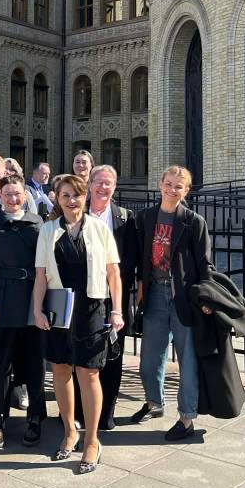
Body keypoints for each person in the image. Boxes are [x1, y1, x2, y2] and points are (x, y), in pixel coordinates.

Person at [33, 174, 122, 474]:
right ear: (57, 198)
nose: (72, 200)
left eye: (77, 195)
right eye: (65, 195)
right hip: (59, 305)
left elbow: (114, 275)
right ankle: (70, 430)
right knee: (60, 367)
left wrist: (117, 311)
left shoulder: (99, 229)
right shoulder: (47, 230)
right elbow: (41, 276)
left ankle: (92, 441)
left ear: (85, 197)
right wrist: (37, 310)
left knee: (89, 373)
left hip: (92, 306)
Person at [132, 165, 213, 441]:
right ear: (160, 184)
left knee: (187, 359)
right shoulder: (145, 218)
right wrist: (140, 285)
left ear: (186, 190)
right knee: (150, 357)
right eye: (168, 184)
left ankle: (187, 417)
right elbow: (139, 256)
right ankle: (154, 402)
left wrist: (205, 298)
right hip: (154, 293)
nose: (172, 189)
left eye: (179, 186)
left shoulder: (193, 222)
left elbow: (205, 265)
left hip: (183, 298)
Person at [0, 175, 46, 448]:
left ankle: (36, 417)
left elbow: (44, 265)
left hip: (31, 299)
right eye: (8, 194)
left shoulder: (37, 222)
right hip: (3, 300)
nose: (13, 199)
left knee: (34, 363)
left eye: (17, 194)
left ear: (24, 194)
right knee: (0, 363)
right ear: (1, 195)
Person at [83, 165, 139, 429]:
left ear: (114, 187)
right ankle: (79, 412)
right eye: (98, 182)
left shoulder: (125, 218)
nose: (103, 188)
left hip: (115, 298)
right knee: (82, 355)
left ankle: (107, 413)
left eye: (108, 183)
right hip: (84, 298)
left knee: (114, 356)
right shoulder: (76, 212)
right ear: (90, 184)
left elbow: (133, 260)